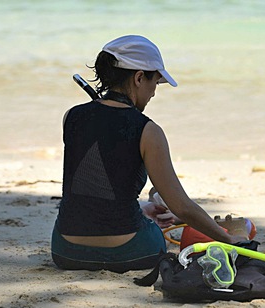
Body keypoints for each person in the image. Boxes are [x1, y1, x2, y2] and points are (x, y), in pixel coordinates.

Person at [51, 35, 246, 273]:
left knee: (144, 219)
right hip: (126, 253)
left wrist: (141, 210)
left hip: (65, 251)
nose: (154, 92)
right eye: (155, 82)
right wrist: (228, 240)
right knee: (154, 231)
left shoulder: (71, 117)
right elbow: (182, 208)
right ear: (139, 77)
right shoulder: (148, 130)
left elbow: (92, 186)